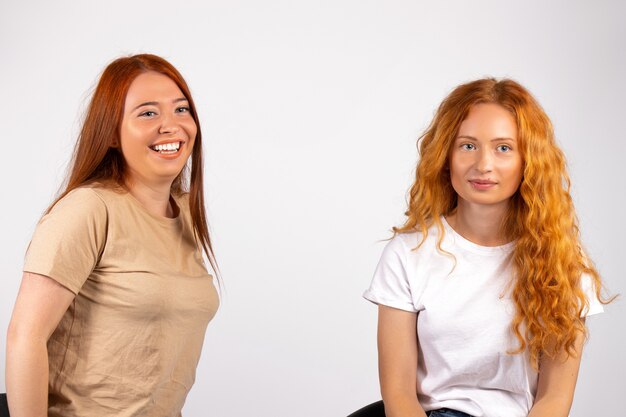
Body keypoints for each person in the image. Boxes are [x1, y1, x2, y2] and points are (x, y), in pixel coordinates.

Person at [362, 78, 612, 417]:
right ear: (445, 156)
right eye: (467, 146)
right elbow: (398, 394)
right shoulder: (407, 254)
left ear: (529, 160)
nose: (484, 165)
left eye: (503, 148)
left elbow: (554, 400)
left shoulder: (564, 261)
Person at [5, 54, 219, 417]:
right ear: (112, 134)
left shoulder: (184, 213)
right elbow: (25, 339)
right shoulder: (88, 209)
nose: (172, 125)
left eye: (181, 109)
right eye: (148, 113)